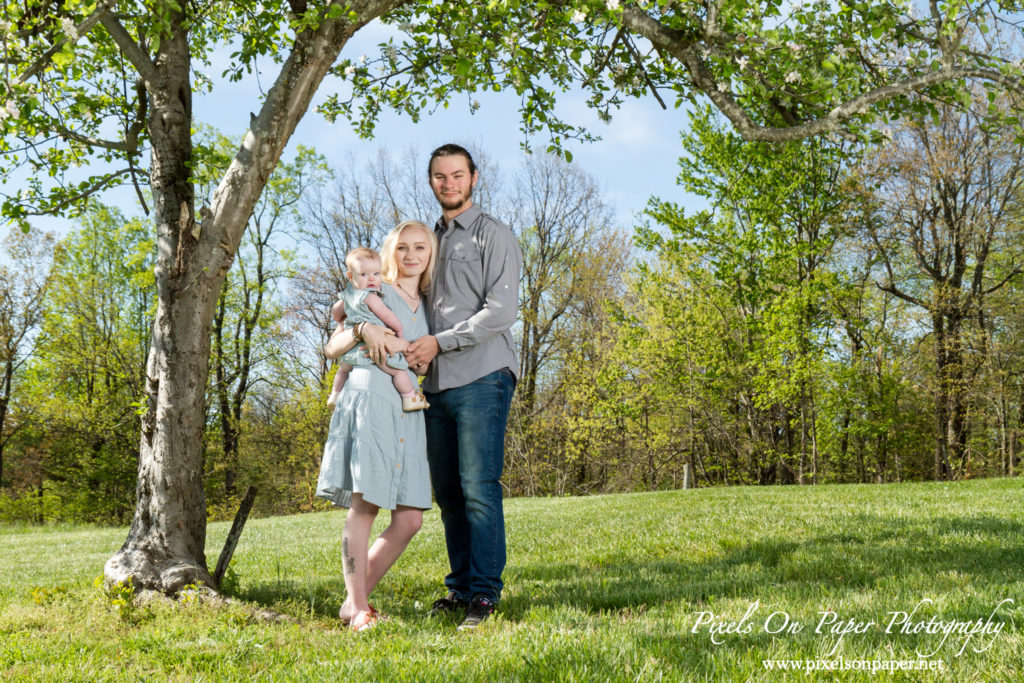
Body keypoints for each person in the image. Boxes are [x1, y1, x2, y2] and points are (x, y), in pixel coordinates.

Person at [403, 143, 522, 630]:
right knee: (448, 492)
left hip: (482, 375)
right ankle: (459, 589)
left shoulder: (493, 236)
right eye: (439, 176)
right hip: (433, 386)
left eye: (457, 175)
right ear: (430, 181)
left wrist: (438, 342)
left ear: (475, 178)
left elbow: (501, 312)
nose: (448, 183)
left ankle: (485, 595)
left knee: (478, 487)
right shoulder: (426, 240)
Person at [315, 220, 438, 632]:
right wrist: (361, 328)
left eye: (420, 248)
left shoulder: (432, 300)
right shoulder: (373, 287)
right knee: (365, 503)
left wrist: (423, 358)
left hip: (408, 404)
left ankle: (353, 603)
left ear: (431, 254)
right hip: (370, 396)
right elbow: (331, 347)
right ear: (390, 252)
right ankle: (359, 609)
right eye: (402, 247)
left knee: (410, 518)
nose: (411, 256)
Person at [326, 246, 429, 412]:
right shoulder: (371, 297)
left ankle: (335, 394)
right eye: (364, 274)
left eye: (376, 274)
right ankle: (410, 397)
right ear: (350, 276)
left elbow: (336, 314)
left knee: (344, 369)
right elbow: (388, 316)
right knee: (398, 372)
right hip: (374, 349)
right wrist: (399, 330)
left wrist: (342, 317)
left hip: (352, 350)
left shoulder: (347, 297)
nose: (371, 278)